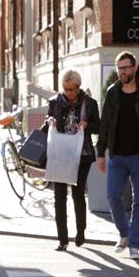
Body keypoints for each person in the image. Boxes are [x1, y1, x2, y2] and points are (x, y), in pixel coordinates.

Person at [96, 52, 139, 260]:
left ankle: (134, 243)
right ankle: (124, 233)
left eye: (126, 68)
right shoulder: (112, 93)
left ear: (135, 68)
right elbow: (105, 124)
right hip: (117, 155)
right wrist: (100, 153)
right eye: (119, 68)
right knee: (113, 195)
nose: (123, 72)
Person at [44, 70, 100, 251]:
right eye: (66, 89)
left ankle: (80, 232)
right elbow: (47, 124)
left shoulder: (89, 104)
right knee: (59, 196)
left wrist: (87, 125)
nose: (69, 93)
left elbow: (99, 127)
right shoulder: (55, 102)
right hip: (60, 155)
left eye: (72, 89)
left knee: (77, 195)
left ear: (78, 87)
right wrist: (50, 121)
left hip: (82, 155)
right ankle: (62, 239)